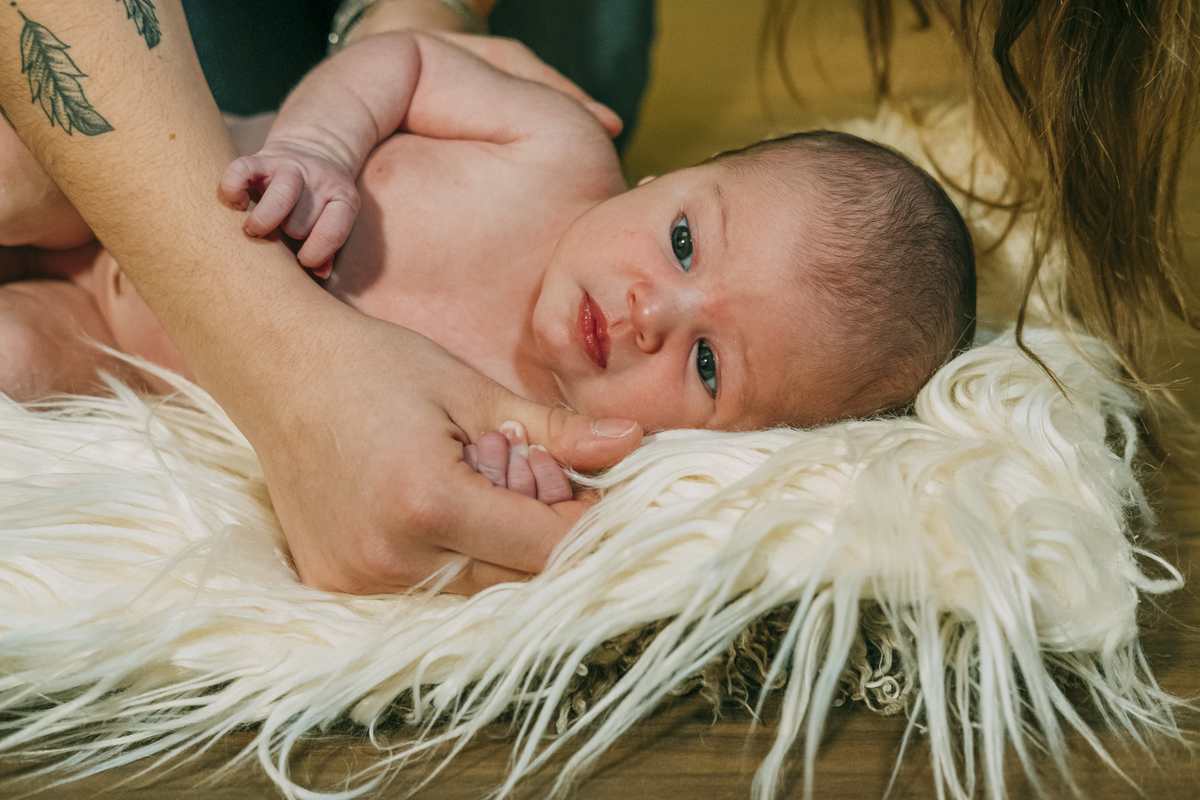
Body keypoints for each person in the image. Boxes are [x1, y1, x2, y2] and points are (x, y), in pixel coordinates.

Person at [0, 30, 975, 492]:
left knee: (23, 368)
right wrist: (324, 149)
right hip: (153, 185)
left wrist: (506, 473)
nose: (652, 313)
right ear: (671, 174)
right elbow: (409, 62)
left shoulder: (544, 429)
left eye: (708, 364)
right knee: (25, 170)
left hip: (113, 347)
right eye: (683, 240)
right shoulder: (556, 149)